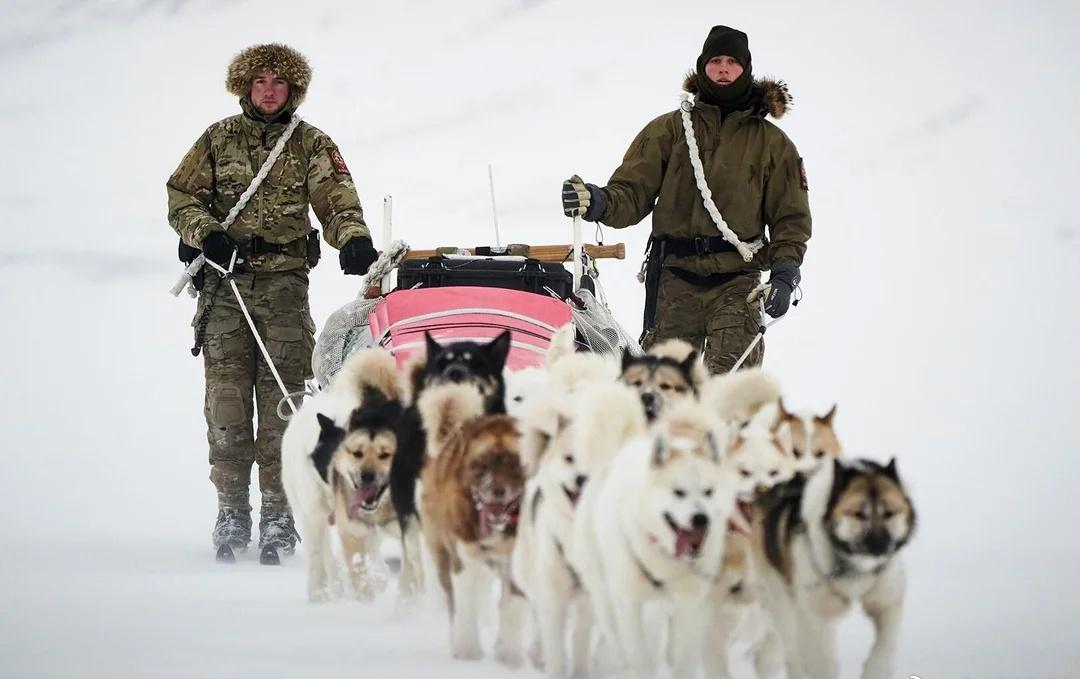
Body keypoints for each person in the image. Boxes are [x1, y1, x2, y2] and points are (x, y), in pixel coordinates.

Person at [167, 43, 378, 561]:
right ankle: (231, 512)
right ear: (245, 86)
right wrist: (206, 233)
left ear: (293, 90)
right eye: (260, 81)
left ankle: (279, 517)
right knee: (228, 404)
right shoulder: (217, 139)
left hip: (285, 288)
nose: (268, 91)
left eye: (278, 82)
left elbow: (338, 203)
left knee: (286, 403)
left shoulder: (310, 143)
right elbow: (181, 197)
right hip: (225, 289)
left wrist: (353, 239)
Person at [562, 25, 811, 373]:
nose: (723, 69)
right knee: (660, 385)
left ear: (745, 69)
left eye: (732, 62)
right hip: (674, 280)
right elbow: (632, 192)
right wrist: (598, 201)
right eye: (715, 61)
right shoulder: (669, 131)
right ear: (702, 66)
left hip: (738, 282)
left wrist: (785, 274)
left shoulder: (774, 144)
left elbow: (790, 219)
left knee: (728, 385)